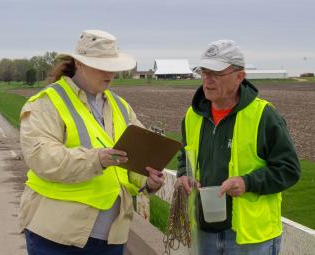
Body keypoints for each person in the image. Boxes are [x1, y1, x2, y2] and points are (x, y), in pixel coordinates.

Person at [18, 29, 165, 255]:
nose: (110, 74)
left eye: (113, 68)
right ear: (79, 64)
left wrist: (149, 181)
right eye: (101, 67)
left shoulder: (121, 107)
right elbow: (41, 158)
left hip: (111, 238)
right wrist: (96, 159)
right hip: (57, 237)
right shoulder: (48, 102)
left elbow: (134, 161)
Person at [176, 39, 300, 255]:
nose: (207, 80)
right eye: (204, 72)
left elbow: (289, 169)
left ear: (240, 76)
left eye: (216, 73)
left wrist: (247, 182)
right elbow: (184, 156)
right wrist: (184, 174)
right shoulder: (192, 116)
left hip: (250, 239)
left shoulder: (264, 116)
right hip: (205, 232)